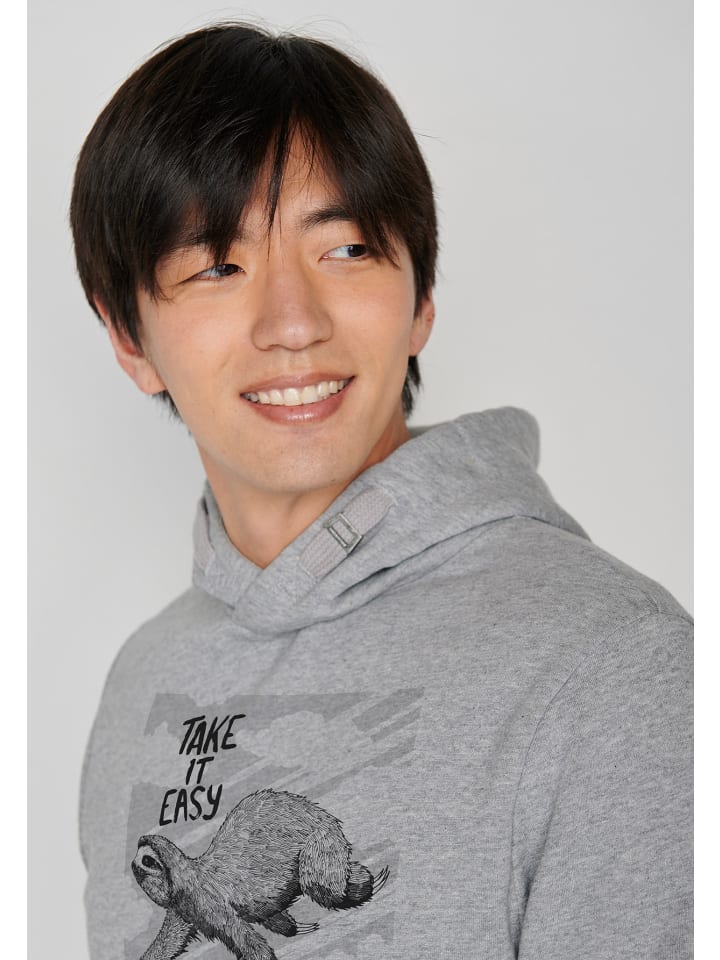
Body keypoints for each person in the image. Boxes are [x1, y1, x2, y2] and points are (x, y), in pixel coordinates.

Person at [71, 22, 692, 960]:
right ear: (129, 338)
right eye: (219, 265)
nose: (292, 323)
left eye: (349, 250)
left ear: (421, 299)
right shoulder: (145, 679)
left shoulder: (613, 665)